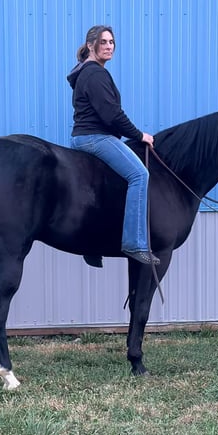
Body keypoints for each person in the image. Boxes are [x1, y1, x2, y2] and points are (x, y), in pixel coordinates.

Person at [67, 25, 160, 266]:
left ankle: (92, 242)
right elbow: (112, 115)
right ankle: (135, 243)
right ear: (91, 46)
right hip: (95, 137)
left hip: (85, 136)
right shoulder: (95, 73)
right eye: (104, 42)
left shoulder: (85, 72)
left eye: (111, 42)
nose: (109, 47)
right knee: (139, 175)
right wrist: (140, 136)